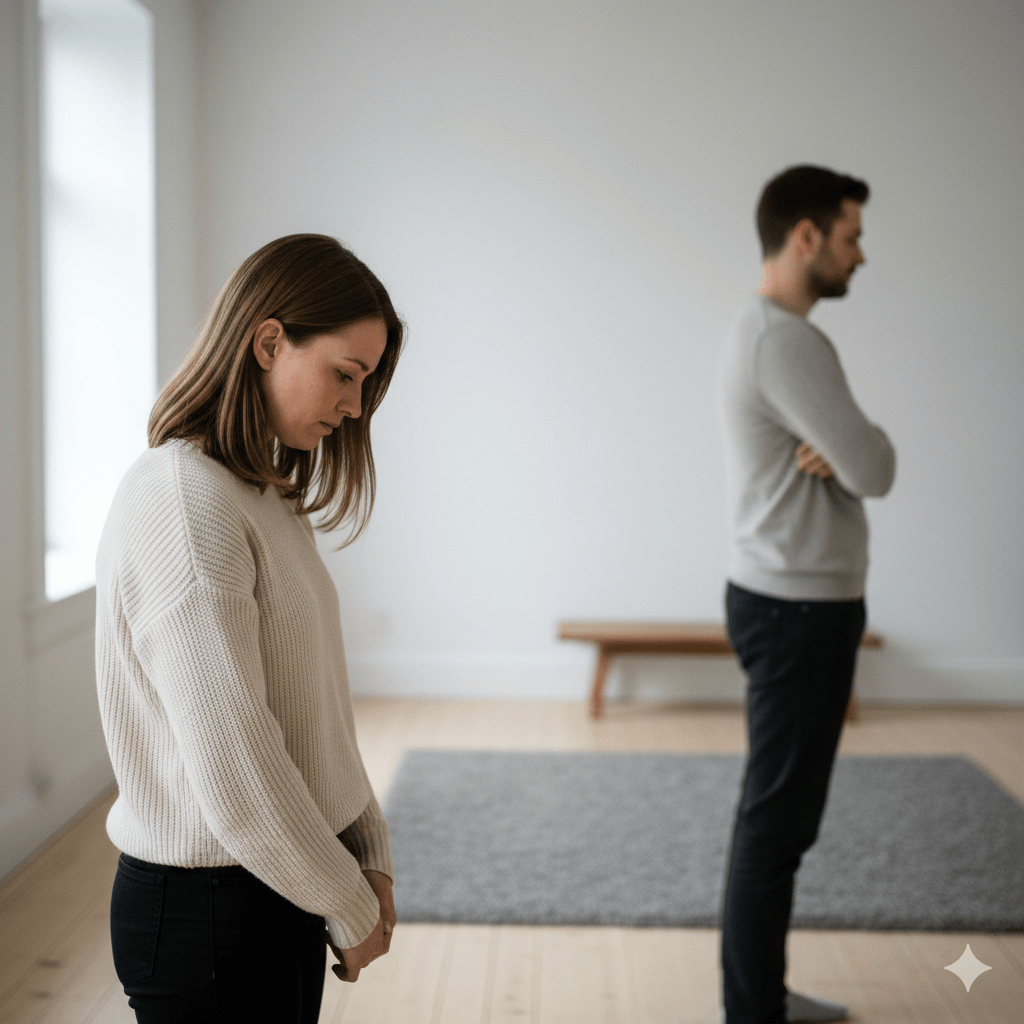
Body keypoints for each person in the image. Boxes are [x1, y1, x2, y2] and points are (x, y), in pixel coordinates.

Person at [96, 234, 404, 1023]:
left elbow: (314, 715)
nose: (356, 405)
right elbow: (235, 764)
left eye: (365, 383)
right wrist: (347, 899)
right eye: (346, 374)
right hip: (209, 913)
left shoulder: (262, 494)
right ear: (269, 341)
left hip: (275, 887)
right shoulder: (181, 500)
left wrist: (370, 854)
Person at [717, 166, 896, 1024]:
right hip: (797, 610)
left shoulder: (770, 335)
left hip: (790, 602)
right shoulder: (784, 340)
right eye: (851, 235)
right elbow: (875, 466)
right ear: (805, 236)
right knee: (775, 827)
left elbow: (857, 456)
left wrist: (854, 445)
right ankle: (755, 1014)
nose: (861, 254)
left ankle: (764, 1001)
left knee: (779, 822)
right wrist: (859, 444)